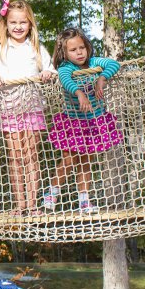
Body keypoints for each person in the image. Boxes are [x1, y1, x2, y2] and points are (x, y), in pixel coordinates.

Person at [0, 0, 55, 216]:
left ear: (30, 24)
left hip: (32, 107)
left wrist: (47, 73)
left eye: (23, 22)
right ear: (5, 24)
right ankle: (20, 205)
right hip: (9, 108)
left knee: (31, 156)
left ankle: (33, 205)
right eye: (13, 22)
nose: (18, 26)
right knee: (15, 158)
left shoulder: (36, 48)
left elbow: (50, 70)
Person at [43, 27, 123, 213]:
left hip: (93, 122)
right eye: (73, 50)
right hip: (73, 122)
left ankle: (84, 201)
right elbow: (65, 80)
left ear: (87, 47)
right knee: (69, 160)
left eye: (82, 48)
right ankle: (52, 193)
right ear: (64, 53)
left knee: (86, 162)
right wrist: (80, 94)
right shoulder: (66, 67)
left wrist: (101, 78)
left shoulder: (94, 63)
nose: (79, 52)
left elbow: (114, 64)